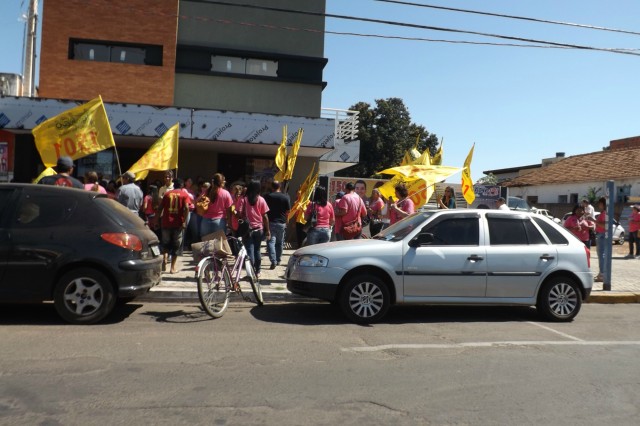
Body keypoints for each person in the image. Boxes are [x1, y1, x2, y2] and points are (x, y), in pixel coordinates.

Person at [237, 180, 270, 276]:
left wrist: (242, 216)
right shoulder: (261, 200)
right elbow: (265, 217)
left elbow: (238, 213)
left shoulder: (243, 199)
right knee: (257, 250)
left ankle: (250, 272)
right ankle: (258, 271)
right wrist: (267, 230)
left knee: (249, 250)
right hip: (259, 229)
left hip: (247, 230)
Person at [160, 178, 190, 274]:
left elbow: (160, 208)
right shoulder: (184, 195)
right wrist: (184, 221)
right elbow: (186, 207)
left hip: (166, 222)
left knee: (165, 243)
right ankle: (172, 268)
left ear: (174, 185)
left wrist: (156, 220)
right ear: (181, 186)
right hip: (178, 224)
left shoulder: (167, 194)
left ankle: (164, 258)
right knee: (176, 246)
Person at [265, 180, 291, 269]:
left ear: (272, 187)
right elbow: (288, 211)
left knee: (271, 242)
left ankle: (273, 260)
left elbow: (264, 210)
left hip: (271, 222)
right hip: (281, 223)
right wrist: (287, 220)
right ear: (279, 186)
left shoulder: (268, 197)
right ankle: (278, 260)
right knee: (280, 243)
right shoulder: (285, 197)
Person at [200, 173, 233, 237]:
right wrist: (229, 223)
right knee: (218, 245)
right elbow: (229, 210)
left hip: (205, 221)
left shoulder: (207, 192)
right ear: (221, 182)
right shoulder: (226, 193)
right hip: (219, 222)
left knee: (205, 245)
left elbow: (197, 202)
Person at [594, 196, 607, 282]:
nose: (598, 205)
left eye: (599, 204)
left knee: (601, 255)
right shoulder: (603, 213)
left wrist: (593, 220)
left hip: (601, 234)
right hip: (600, 234)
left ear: (602, 204)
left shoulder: (604, 214)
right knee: (601, 255)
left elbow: (604, 226)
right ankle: (601, 273)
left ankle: (602, 274)